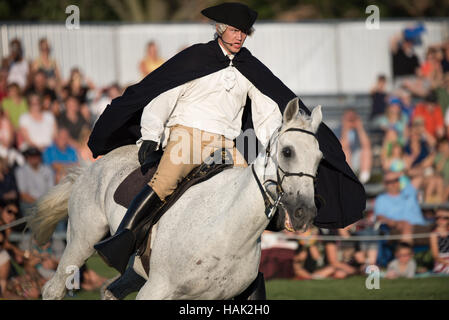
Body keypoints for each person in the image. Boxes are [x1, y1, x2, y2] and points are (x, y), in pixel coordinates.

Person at [90, 2, 366, 274]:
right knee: (165, 182)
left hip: (225, 144)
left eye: (244, 32)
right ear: (220, 28)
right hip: (187, 137)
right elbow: (162, 94)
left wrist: (275, 141)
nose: (239, 36)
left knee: (250, 189)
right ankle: (123, 238)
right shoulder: (195, 58)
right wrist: (151, 134)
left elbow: (266, 110)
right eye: (234, 30)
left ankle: (252, 249)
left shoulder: (249, 67)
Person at [374, 171, 429, 245]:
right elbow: (380, 217)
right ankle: (406, 255)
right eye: (389, 182)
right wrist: (395, 223)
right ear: (384, 184)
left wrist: (403, 173)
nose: (393, 184)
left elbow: (419, 176)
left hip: (421, 227)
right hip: (397, 228)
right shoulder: (381, 199)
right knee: (406, 225)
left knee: (441, 226)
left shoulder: (409, 190)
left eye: (396, 180)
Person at [336, 108, 372, 183]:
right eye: (348, 119)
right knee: (346, 150)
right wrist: (345, 128)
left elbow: (366, 144)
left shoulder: (360, 129)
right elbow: (342, 146)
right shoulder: (338, 130)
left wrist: (359, 128)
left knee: (366, 150)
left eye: (352, 119)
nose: (351, 121)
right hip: (345, 159)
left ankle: (364, 177)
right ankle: (350, 176)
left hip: (359, 160)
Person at [14, 147, 54, 214]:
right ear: (27, 158)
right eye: (31, 156)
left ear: (39, 157)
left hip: (47, 204)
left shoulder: (48, 170)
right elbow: (23, 195)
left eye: (36, 156)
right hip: (29, 204)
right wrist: (40, 204)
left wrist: (46, 204)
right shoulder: (20, 171)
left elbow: (51, 190)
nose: (34, 159)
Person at [429, 207, 449, 274]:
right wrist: (446, 262)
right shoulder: (434, 234)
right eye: (438, 217)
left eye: (445, 218)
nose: (441, 220)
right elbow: (436, 256)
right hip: (441, 261)